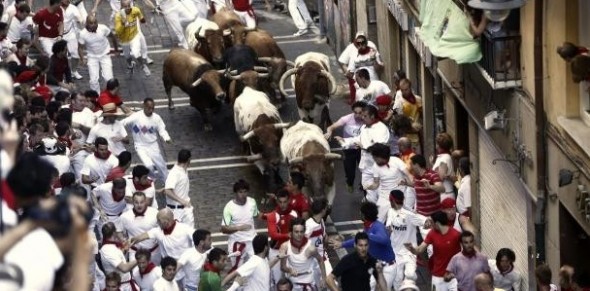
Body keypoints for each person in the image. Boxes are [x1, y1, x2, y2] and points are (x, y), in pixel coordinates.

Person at [330, 201, 395, 289]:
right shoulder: (368, 226)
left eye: (361, 212)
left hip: (387, 268)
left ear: (364, 215)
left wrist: (368, 235)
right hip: (376, 266)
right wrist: (342, 244)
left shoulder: (378, 226)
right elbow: (360, 240)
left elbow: (384, 239)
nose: (359, 213)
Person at [335, 105, 390, 204]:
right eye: (362, 116)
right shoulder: (364, 127)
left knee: (380, 193)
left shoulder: (381, 129)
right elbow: (358, 139)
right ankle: (371, 211)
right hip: (366, 167)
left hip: (378, 167)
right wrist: (344, 141)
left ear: (372, 116)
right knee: (368, 191)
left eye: (365, 116)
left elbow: (381, 148)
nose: (362, 118)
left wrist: (364, 146)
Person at [385, 190, 431, 290]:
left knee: (410, 276)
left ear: (392, 200)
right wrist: (389, 229)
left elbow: (426, 221)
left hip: (410, 252)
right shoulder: (390, 211)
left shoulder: (409, 215)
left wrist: (427, 222)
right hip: (396, 252)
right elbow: (389, 225)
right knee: (397, 279)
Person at [405, 211, 461, 291]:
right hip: (438, 277)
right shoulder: (432, 233)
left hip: (453, 276)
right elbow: (420, 249)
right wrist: (412, 249)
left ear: (437, 223)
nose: (429, 224)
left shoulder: (456, 235)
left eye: (431, 222)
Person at [121, 98, 172, 184]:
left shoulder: (156, 118)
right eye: (149, 108)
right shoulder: (136, 116)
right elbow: (122, 123)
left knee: (161, 166)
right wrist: (122, 135)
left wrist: (166, 138)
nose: (151, 110)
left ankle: (167, 182)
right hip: (140, 146)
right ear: (143, 106)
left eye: (153, 108)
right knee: (149, 166)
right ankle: (152, 180)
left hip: (153, 145)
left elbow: (162, 129)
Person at [129, 208, 195, 271]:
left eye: (159, 220)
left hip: (185, 267)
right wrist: (130, 242)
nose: (157, 222)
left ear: (167, 221)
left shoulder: (185, 229)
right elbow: (141, 237)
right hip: (168, 268)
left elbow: (199, 238)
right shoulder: (157, 231)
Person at [324, 101, 365, 193]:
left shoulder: (367, 119)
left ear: (364, 112)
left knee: (365, 171)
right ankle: (350, 183)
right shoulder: (346, 119)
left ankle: (363, 186)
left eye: (360, 113)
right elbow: (331, 127)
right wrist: (329, 131)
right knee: (350, 173)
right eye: (355, 113)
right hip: (349, 149)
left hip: (362, 149)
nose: (357, 115)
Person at [365, 143, 412, 222]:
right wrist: (368, 186)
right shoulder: (375, 166)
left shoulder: (396, 160)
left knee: (405, 220)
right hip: (385, 197)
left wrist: (412, 184)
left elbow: (408, 175)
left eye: (375, 157)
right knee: (377, 220)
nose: (374, 159)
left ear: (381, 156)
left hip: (400, 195)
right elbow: (376, 184)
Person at [222, 234, 287, 290]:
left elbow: (266, 267)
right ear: (266, 247)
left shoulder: (262, 260)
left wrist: (278, 257)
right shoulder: (253, 262)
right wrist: (220, 286)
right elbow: (235, 273)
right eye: (268, 244)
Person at [221, 179, 260, 272]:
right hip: (236, 244)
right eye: (240, 192)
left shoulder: (252, 202)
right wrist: (239, 228)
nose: (243, 194)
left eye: (245, 191)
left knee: (257, 269)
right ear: (235, 193)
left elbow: (257, 214)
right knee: (238, 272)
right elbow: (223, 229)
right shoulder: (229, 207)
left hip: (252, 242)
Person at [279, 218, 327, 290]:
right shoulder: (285, 247)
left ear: (304, 232)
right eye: (296, 232)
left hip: (309, 284)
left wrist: (324, 278)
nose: (299, 234)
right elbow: (282, 267)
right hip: (292, 285)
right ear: (291, 233)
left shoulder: (311, 248)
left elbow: (320, 260)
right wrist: (290, 270)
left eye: (301, 232)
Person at [266, 188, 298, 284]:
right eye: (280, 202)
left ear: (289, 200)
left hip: (290, 251)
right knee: (278, 281)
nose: (282, 204)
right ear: (277, 201)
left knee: (293, 279)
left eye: (285, 202)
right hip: (276, 252)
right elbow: (273, 235)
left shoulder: (294, 214)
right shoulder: (272, 215)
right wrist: (288, 235)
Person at [120, 192, 161, 265]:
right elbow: (121, 234)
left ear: (145, 201)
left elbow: (161, 230)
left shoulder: (155, 213)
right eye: (136, 202)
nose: (139, 205)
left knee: (156, 275)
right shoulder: (125, 217)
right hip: (135, 253)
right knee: (136, 275)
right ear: (133, 202)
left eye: (141, 202)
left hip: (154, 253)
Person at [78, 15, 114, 93]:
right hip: (92, 57)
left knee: (109, 79)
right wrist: (82, 58)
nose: (94, 25)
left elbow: (112, 36)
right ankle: (96, 98)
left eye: (95, 22)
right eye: (91, 23)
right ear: (87, 23)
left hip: (105, 54)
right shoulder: (82, 34)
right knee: (93, 80)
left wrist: (116, 49)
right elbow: (80, 47)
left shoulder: (103, 28)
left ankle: (109, 95)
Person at [114, 0, 151, 76]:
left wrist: (144, 22)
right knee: (127, 56)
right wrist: (123, 24)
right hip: (124, 39)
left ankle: (143, 66)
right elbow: (118, 31)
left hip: (134, 36)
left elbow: (141, 16)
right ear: (122, 7)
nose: (127, 8)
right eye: (125, 6)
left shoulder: (135, 10)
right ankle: (130, 65)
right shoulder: (118, 16)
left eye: (129, 6)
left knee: (136, 52)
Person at [99, 222, 140, 291]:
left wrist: (124, 250)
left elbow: (116, 258)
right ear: (114, 232)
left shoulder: (111, 246)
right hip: (120, 287)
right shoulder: (108, 249)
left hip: (125, 285)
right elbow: (124, 268)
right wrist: (140, 259)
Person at [305, 198, 331, 286]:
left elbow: (324, 236)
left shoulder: (321, 221)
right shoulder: (309, 225)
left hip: (323, 257)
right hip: (312, 261)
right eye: (326, 208)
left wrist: (334, 239)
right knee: (316, 286)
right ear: (323, 210)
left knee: (332, 282)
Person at [164, 149, 194, 226]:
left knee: (190, 234)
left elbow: (173, 185)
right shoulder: (175, 173)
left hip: (185, 209)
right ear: (189, 160)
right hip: (176, 211)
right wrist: (182, 201)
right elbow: (167, 191)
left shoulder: (183, 169)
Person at [392, 79, 422, 151]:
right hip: (404, 137)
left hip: (416, 136)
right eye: (402, 90)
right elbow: (397, 121)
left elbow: (421, 115)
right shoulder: (399, 103)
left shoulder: (418, 99)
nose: (404, 92)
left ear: (410, 88)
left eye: (406, 89)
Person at [60, 0, 84, 80]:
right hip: (59, 35)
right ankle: (62, 73)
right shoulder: (56, 8)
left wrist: (80, 20)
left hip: (71, 33)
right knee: (62, 56)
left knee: (75, 55)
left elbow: (79, 17)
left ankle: (74, 71)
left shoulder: (73, 8)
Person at [432, 132, 455, 201]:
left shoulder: (445, 158)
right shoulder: (442, 156)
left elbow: (440, 177)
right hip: (443, 194)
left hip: (445, 195)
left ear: (438, 145)